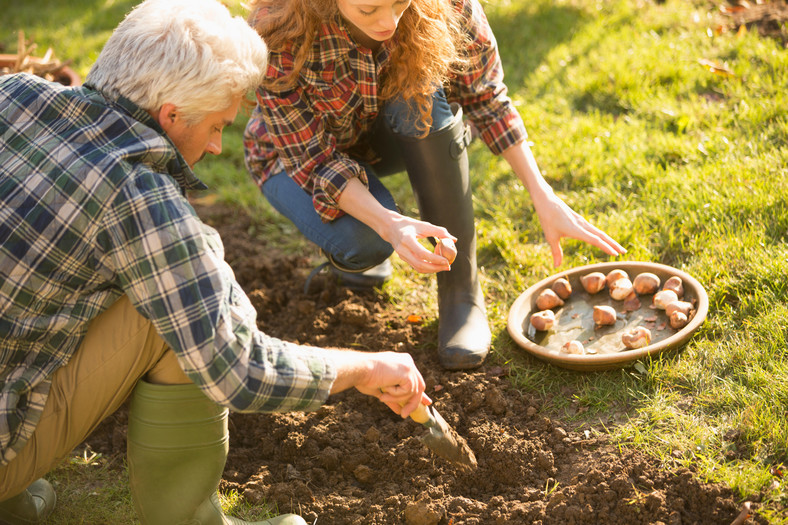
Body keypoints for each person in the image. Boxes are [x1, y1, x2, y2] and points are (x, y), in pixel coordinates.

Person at [0, 1, 429, 524]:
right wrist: (365, 367)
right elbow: (237, 366)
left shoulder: (15, 94)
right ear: (171, 115)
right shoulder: (140, 199)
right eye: (218, 124)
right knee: (175, 313)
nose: (218, 145)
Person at [243, 0, 627, 372]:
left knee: (419, 88)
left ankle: (461, 291)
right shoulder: (277, 28)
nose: (388, 22)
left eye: (399, 3)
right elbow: (315, 161)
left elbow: (487, 98)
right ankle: (358, 259)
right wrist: (390, 224)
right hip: (294, 159)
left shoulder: (448, 3)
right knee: (366, 244)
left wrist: (543, 195)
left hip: (379, 136)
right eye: (368, 10)